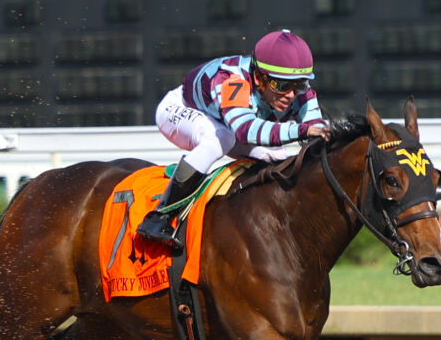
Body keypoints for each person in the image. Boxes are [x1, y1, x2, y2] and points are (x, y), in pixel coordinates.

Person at [137, 29, 329, 252]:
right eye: (282, 86)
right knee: (221, 139)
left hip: (228, 124)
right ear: (259, 78)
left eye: (299, 84)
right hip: (180, 110)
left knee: (279, 156)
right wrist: (302, 130)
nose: (291, 94)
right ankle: (159, 216)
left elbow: (316, 135)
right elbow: (246, 131)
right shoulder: (232, 80)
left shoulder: (300, 92)